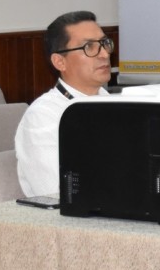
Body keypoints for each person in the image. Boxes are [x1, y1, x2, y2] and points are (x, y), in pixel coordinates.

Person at [14, 11, 113, 197]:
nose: (104, 53)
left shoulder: (118, 104)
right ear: (60, 62)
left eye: (104, 43)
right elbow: (57, 192)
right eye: (89, 47)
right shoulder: (42, 117)